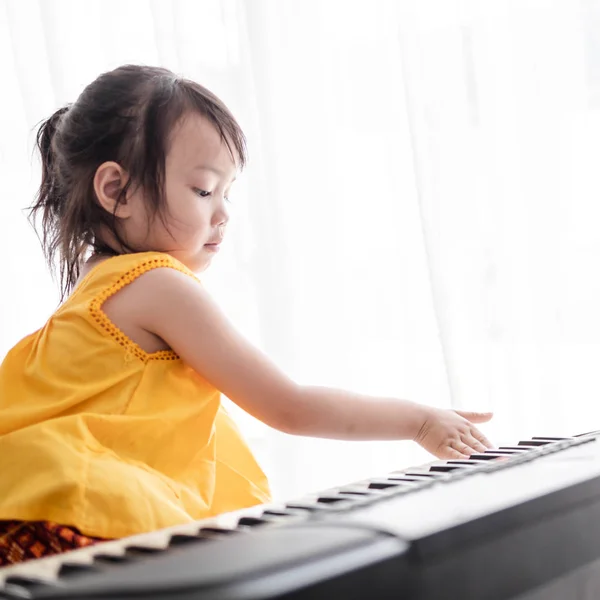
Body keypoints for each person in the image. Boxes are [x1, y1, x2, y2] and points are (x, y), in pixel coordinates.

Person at [0, 65, 493, 565]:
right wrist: (420, 422)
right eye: (203, 190)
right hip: (78, 513)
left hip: (32, 504)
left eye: (227, 192)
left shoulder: (96, 281)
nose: (223, 213)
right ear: (117, 191)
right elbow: (289, 405)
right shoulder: (157, 282)